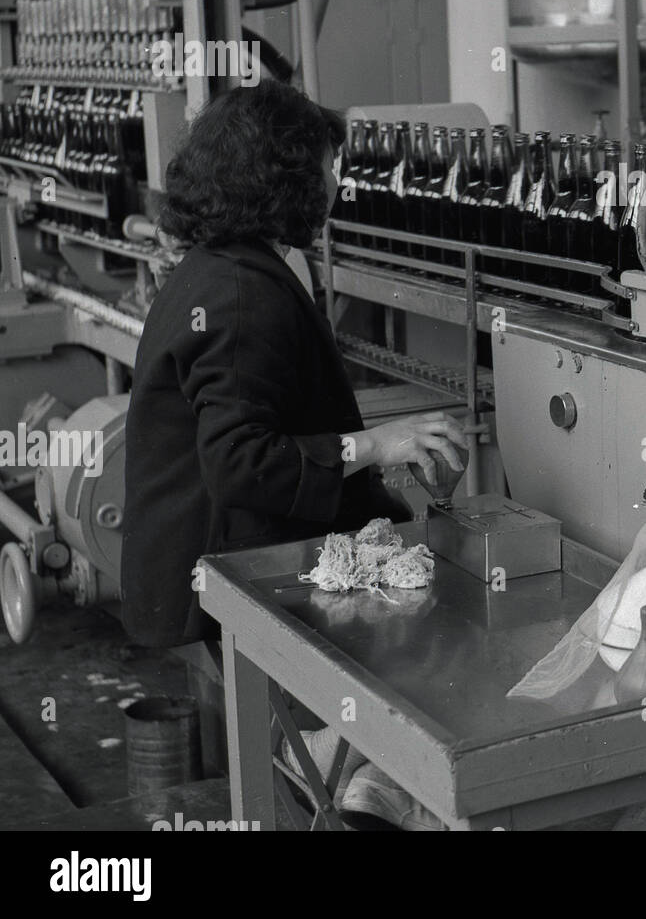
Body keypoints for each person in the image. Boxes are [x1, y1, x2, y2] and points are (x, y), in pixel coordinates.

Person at [122, 80, 467, 649]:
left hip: (217, 561)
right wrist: (377, 445)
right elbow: (240, 462)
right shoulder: (240, 297)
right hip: (225, 574)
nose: (337, 183)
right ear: (289, 182)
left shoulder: (219, 265)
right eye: (330, 167)